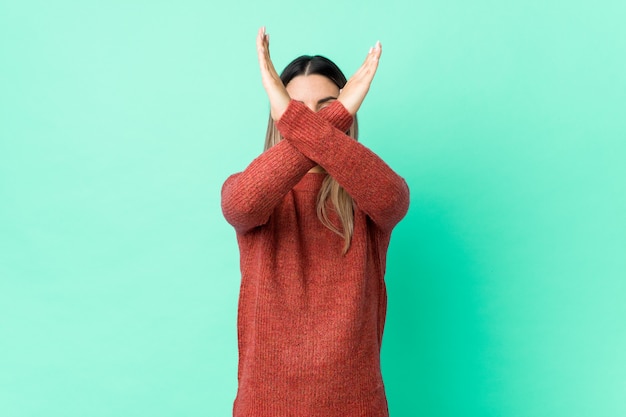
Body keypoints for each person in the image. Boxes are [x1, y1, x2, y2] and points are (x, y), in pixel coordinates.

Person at [221, 26, 410, 417]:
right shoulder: (253, 189)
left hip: (357, 406)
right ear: (278, 117)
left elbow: (395, 200)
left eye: (328, 108)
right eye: (294, 110)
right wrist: (336, 114)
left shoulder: (367, 195)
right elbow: (240, 205)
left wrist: (306, 120)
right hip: (264, 407)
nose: (310, 122)